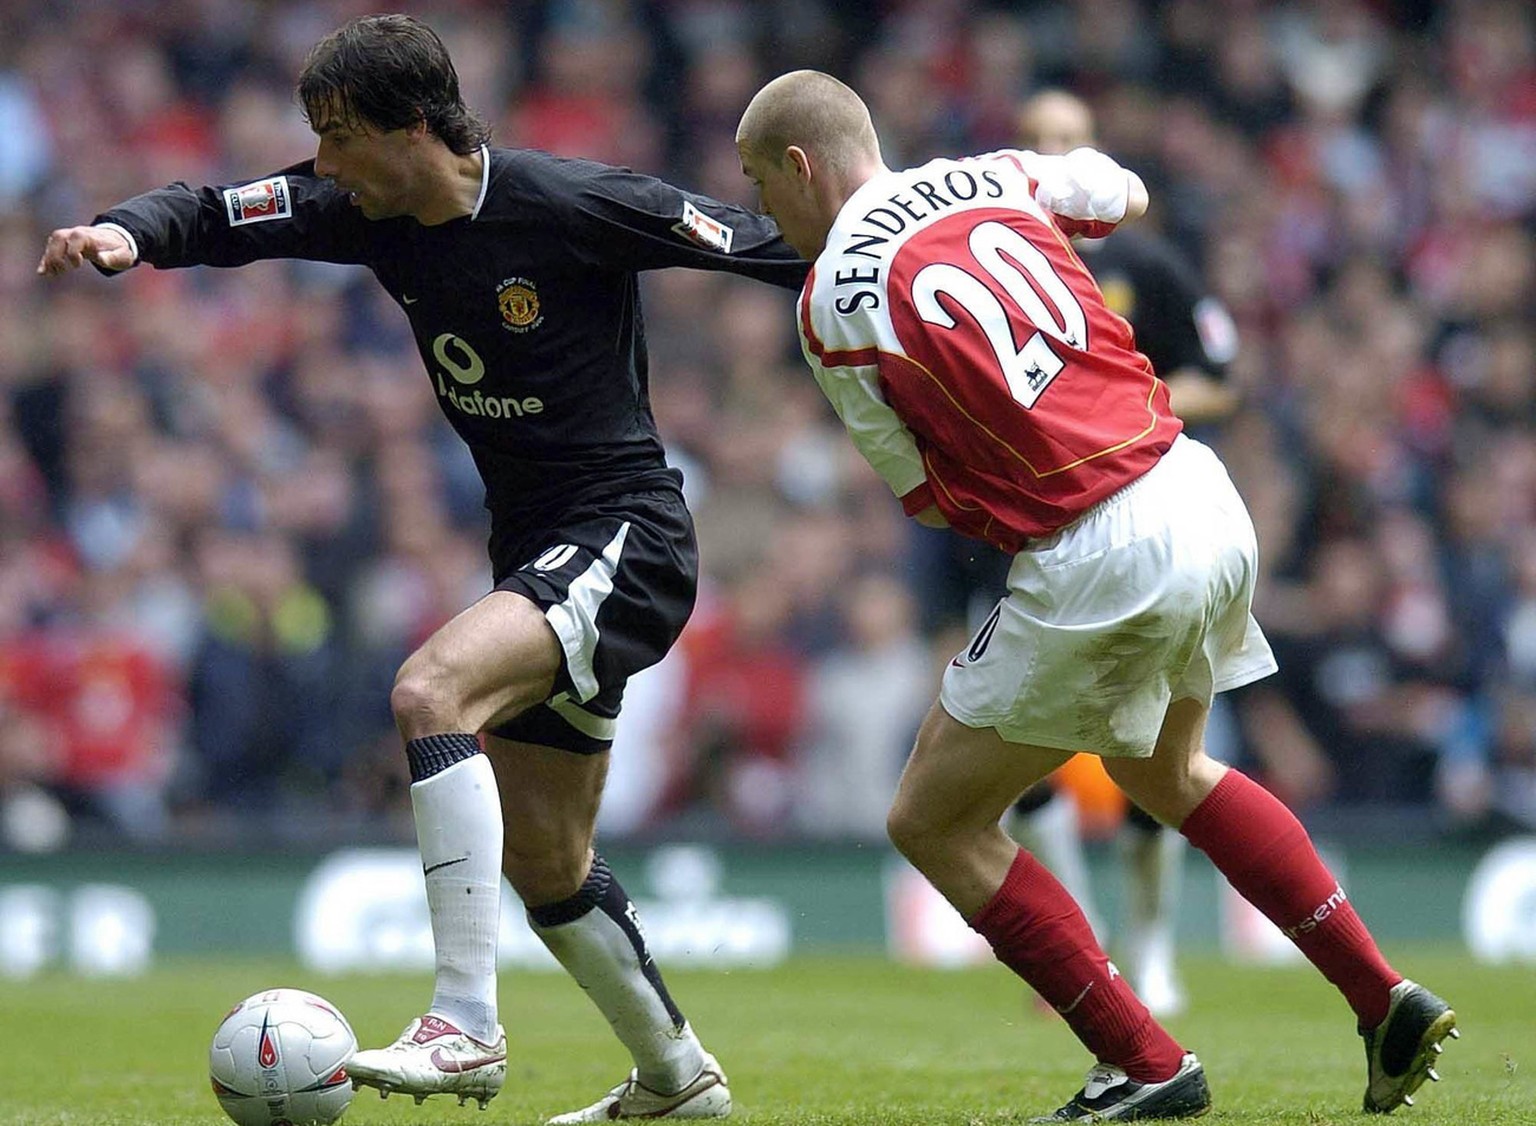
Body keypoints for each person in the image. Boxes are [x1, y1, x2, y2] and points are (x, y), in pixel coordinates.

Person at [40, 15, 808, 1123]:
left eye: (341, 136)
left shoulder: (568, 201)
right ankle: (677, 1079)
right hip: (538, 548)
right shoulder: (368, 211)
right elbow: (217, 212)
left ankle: (466, 1023)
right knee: (549, 862)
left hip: (628, 536)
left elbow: (761, 241)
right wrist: (123, 234)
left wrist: (931, 265)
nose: (326, 163)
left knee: (428, 691)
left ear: (412, 128)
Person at [735, 69, 1456, 1121]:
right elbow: (1125, 195)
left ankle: (1146, 1060)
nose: (768, 215)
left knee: (932, 818)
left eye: (764, 189)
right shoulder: (987, 174)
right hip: (1199, 490)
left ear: (800, 166)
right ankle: (1381, 994)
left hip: (1097, 543)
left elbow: (926, 498)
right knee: (1169, 768)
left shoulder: (829, 304)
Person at [1005, 87, 1246, 1018]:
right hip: (1029, 534)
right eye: (1034, 143)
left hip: (1149, 521)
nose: (1050, 155)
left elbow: (1222, 376)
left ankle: (1148, 952)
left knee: (1151, 750)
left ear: (1093, 154)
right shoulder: (983, 265)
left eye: (1066, 141)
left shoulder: (1145, 263)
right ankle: (1085, 945)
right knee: (1019, 754)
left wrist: (1125, 423)